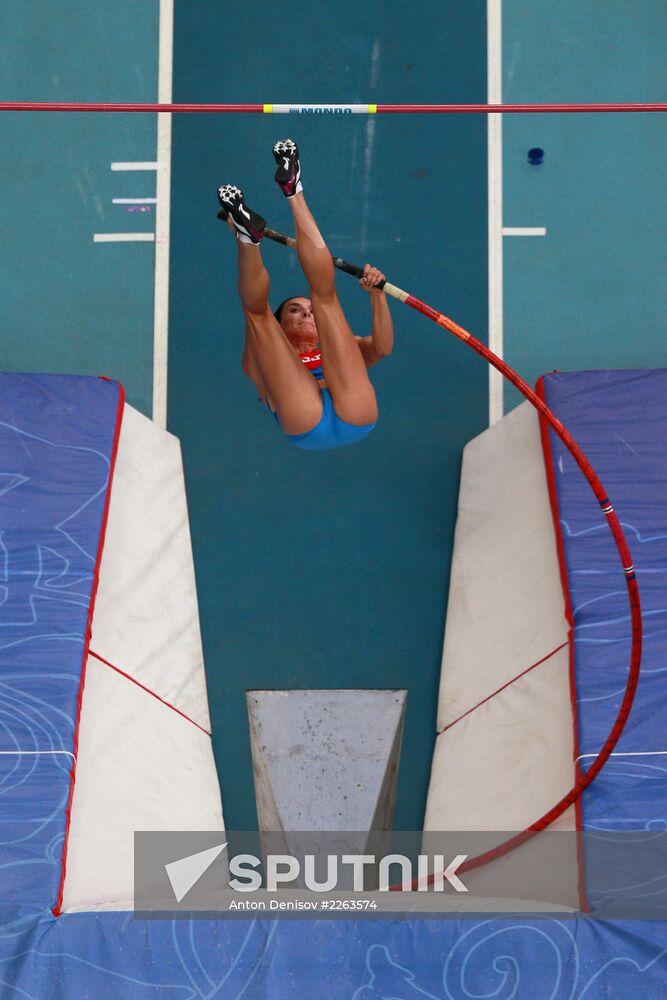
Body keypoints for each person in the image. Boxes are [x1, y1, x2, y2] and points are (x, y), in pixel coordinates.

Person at [217, 139, 394, 451]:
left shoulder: (349, 344)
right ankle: (287, 198)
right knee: (297, 305)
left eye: (306, 311)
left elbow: (382, 347)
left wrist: (376, 296)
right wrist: (264, 327)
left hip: (317, 417)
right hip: (336, 417)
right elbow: (260, 324)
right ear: (281, 324)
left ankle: (262, 225)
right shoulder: (265, 360)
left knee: (299, 303)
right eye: (295, 311)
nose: (306, 313)